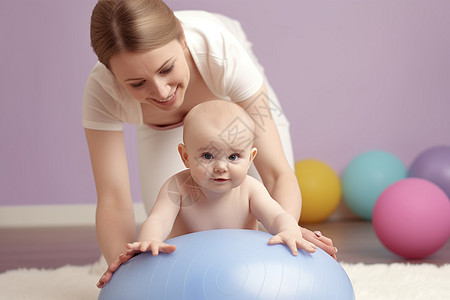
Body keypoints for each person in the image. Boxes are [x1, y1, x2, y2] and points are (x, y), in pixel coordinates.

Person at [84, 0, 336, 288]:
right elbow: (113, 200)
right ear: (113, 76)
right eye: (137, 84)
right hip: (159, 127)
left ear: (182, 38)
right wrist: (123, 268)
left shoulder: (220, 53)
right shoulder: (102, 92)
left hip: (230, 104)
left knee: (258, 196)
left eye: (166, 69)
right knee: (173, 209)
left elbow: (276, 172)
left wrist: (286, 228)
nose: (162, 91)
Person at [126, 100, 318, 259]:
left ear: (250, 158)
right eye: (208, 156)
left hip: (241, 261)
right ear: (185, 156)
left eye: (233, 157)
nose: (220, 167)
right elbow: (159, 219)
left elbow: (277, 216)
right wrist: (150, 239)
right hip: (189, 264)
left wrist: (289, 230)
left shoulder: (251, 189)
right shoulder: (178, 188)